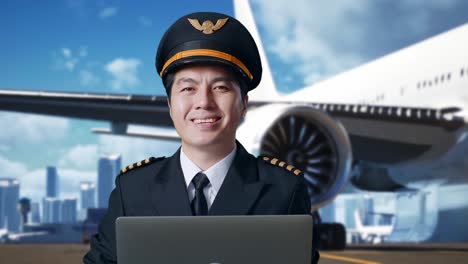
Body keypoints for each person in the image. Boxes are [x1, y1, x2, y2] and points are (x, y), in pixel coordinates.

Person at [83, 11, 319, 264]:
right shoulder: (131, 190)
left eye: (220, 88)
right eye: (188, 89)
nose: (204, 102)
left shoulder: (285, 190)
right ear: (170, 105)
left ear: (244, 104)